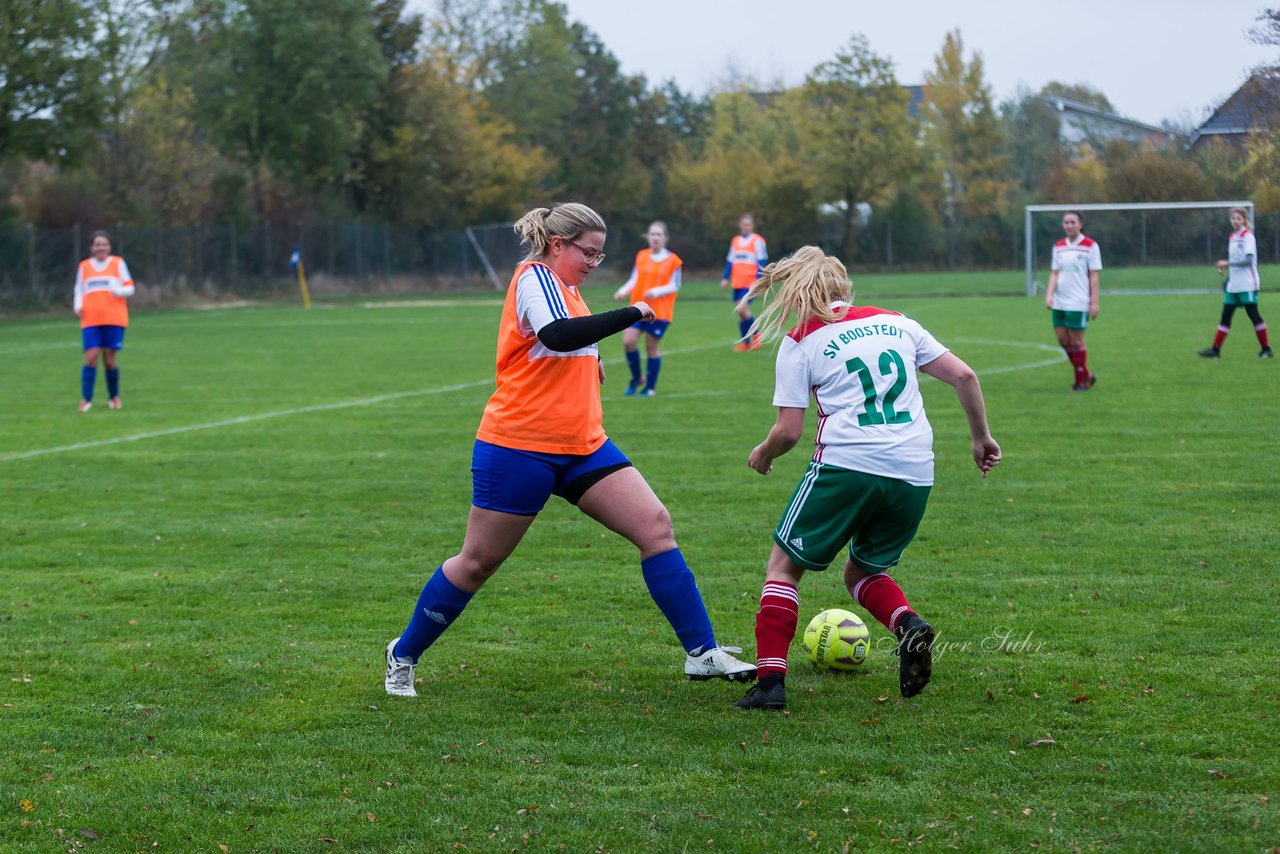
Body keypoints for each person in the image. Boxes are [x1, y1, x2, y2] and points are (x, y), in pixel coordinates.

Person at [384, 202, 755, 697]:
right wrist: (631, 312)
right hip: (519, 446)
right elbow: (556, 336)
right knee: (477, 563)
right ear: (557, 245)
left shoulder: (569, 291)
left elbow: (568, 341)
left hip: (583, 446)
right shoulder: (534, 276)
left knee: (656, 528)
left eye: (601, 256)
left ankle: (702, 653)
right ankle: (403, 653)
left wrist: (592, 361)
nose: (593, 263)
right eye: (589, 253)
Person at [732, 246, 1000, 712]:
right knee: (863, 571)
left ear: (797, 294)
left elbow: (789, 431)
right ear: (845, 287)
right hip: (915, 471)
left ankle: (770, 685)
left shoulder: (800, 340)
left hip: (847, 465)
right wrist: (981, 439)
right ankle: (908, 626)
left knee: (782, 569)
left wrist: (762, 452)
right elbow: (965, 376)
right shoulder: (898, 322)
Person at [613, 221, 683, 396]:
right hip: (638, 308)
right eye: (652, 234)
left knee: (651, 348)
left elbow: (675, 285)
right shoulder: (642, 255)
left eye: (659, 234)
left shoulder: (673, 261)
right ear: (648, 237)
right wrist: (623, 290)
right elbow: (634, 278)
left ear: (665, 238)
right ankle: (637, 378)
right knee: (628, 341)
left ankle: (650, 388)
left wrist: (657, 291)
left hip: (660, 312)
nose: (655, 238)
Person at [74, 230, 135, 412]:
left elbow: (130, 287)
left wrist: (119, 291)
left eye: (104, 244)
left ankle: (114, 397)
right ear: (92, 248)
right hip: (91, 319)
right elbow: (79, 289)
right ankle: (86, 399)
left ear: (109, 246)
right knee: (91, 357)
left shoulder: (118, 263)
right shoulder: (84, 266)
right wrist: (77, 305)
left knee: (109, 361)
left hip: (114, 319)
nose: (101, 247)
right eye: (97, 244)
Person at [1198, 207, 1272, 359]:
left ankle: (1266, 349)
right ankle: (1215, 350)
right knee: (1225, 316)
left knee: (1253, 315)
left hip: (1247, 284)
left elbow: (1248, 261)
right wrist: (1224, 268)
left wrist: (1227, 263)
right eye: (1233, 219)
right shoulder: (1232, 236)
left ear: (1244, 219)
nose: (1235, 221)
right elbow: (1235, 260)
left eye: (1238, 218)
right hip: (1234, 285)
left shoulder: (1248, 236)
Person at [1043, 211, 1101, 391]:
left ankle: (1081, 380)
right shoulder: (1059, 246)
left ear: (1080, 225)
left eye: (1072, 222)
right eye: (1066, 222)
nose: (1069, 225)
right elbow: (1055, 273)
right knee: (1062, 340)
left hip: (1078, 301)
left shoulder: (1090, 246)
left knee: (1076, 342)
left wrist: (1094, 302)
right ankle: (1086, 374)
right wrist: (1049, 294)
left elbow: (1093, 276)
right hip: (1060, 301)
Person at [720, 213, 767, 351]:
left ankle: (757, 335)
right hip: (737, 282)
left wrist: (759, 280)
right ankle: (745, 342)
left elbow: (761, 261)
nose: (745, 227)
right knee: (741, 312)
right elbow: (730, 261)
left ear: (752, 226)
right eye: (743, 224)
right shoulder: (735, 241)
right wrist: (725, 277)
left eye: (748, 224)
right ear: (740, 225)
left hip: (750, 282)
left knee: (742, 308)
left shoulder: (757, 240)